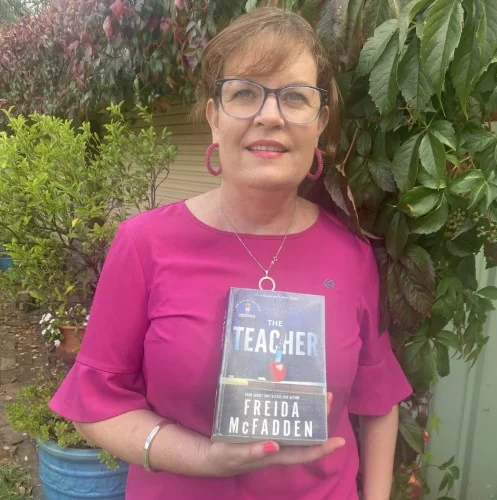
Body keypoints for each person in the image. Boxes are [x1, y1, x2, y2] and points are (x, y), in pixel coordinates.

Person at [49, 7, 412, 500]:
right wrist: (202, 458)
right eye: (244, 93)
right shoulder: (144, 245)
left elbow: (377, 402)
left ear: (320, 122)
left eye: (295, 97)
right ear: (214, 117)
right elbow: (97, 404)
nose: (270, 115)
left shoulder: (350, 256)